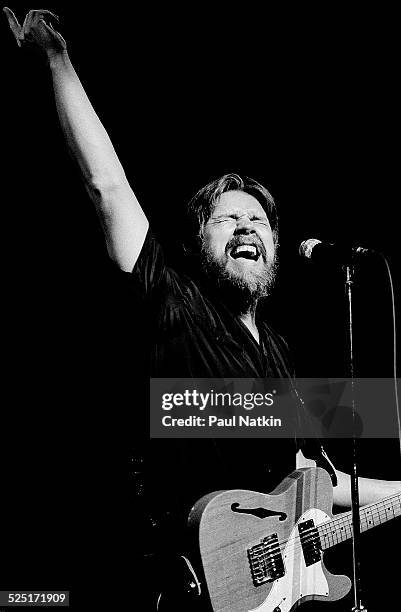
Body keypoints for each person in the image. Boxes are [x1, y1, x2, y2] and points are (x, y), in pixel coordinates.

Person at [4, 8, 400, 610]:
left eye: (259, 220)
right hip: (182, 574)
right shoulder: (176, 303)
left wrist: (398, 491)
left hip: (271, 584)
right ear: (200, 243)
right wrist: (58, 61)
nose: (247, 227)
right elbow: (107, 188)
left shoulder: (283, 353)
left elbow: (315, 476)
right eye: (228, 218)